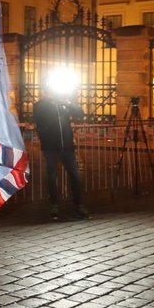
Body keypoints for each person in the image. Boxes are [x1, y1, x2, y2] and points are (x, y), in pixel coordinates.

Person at [32, 85, 89, 221]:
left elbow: (80, 114)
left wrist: (68, 103)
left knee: (75, 176)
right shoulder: (40, 105)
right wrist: (52, 105)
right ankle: (55, 204)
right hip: (50, 147)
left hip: (67, 147)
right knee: (52, 177)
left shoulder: (64, 103)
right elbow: (40, 123)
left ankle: (78, 205)